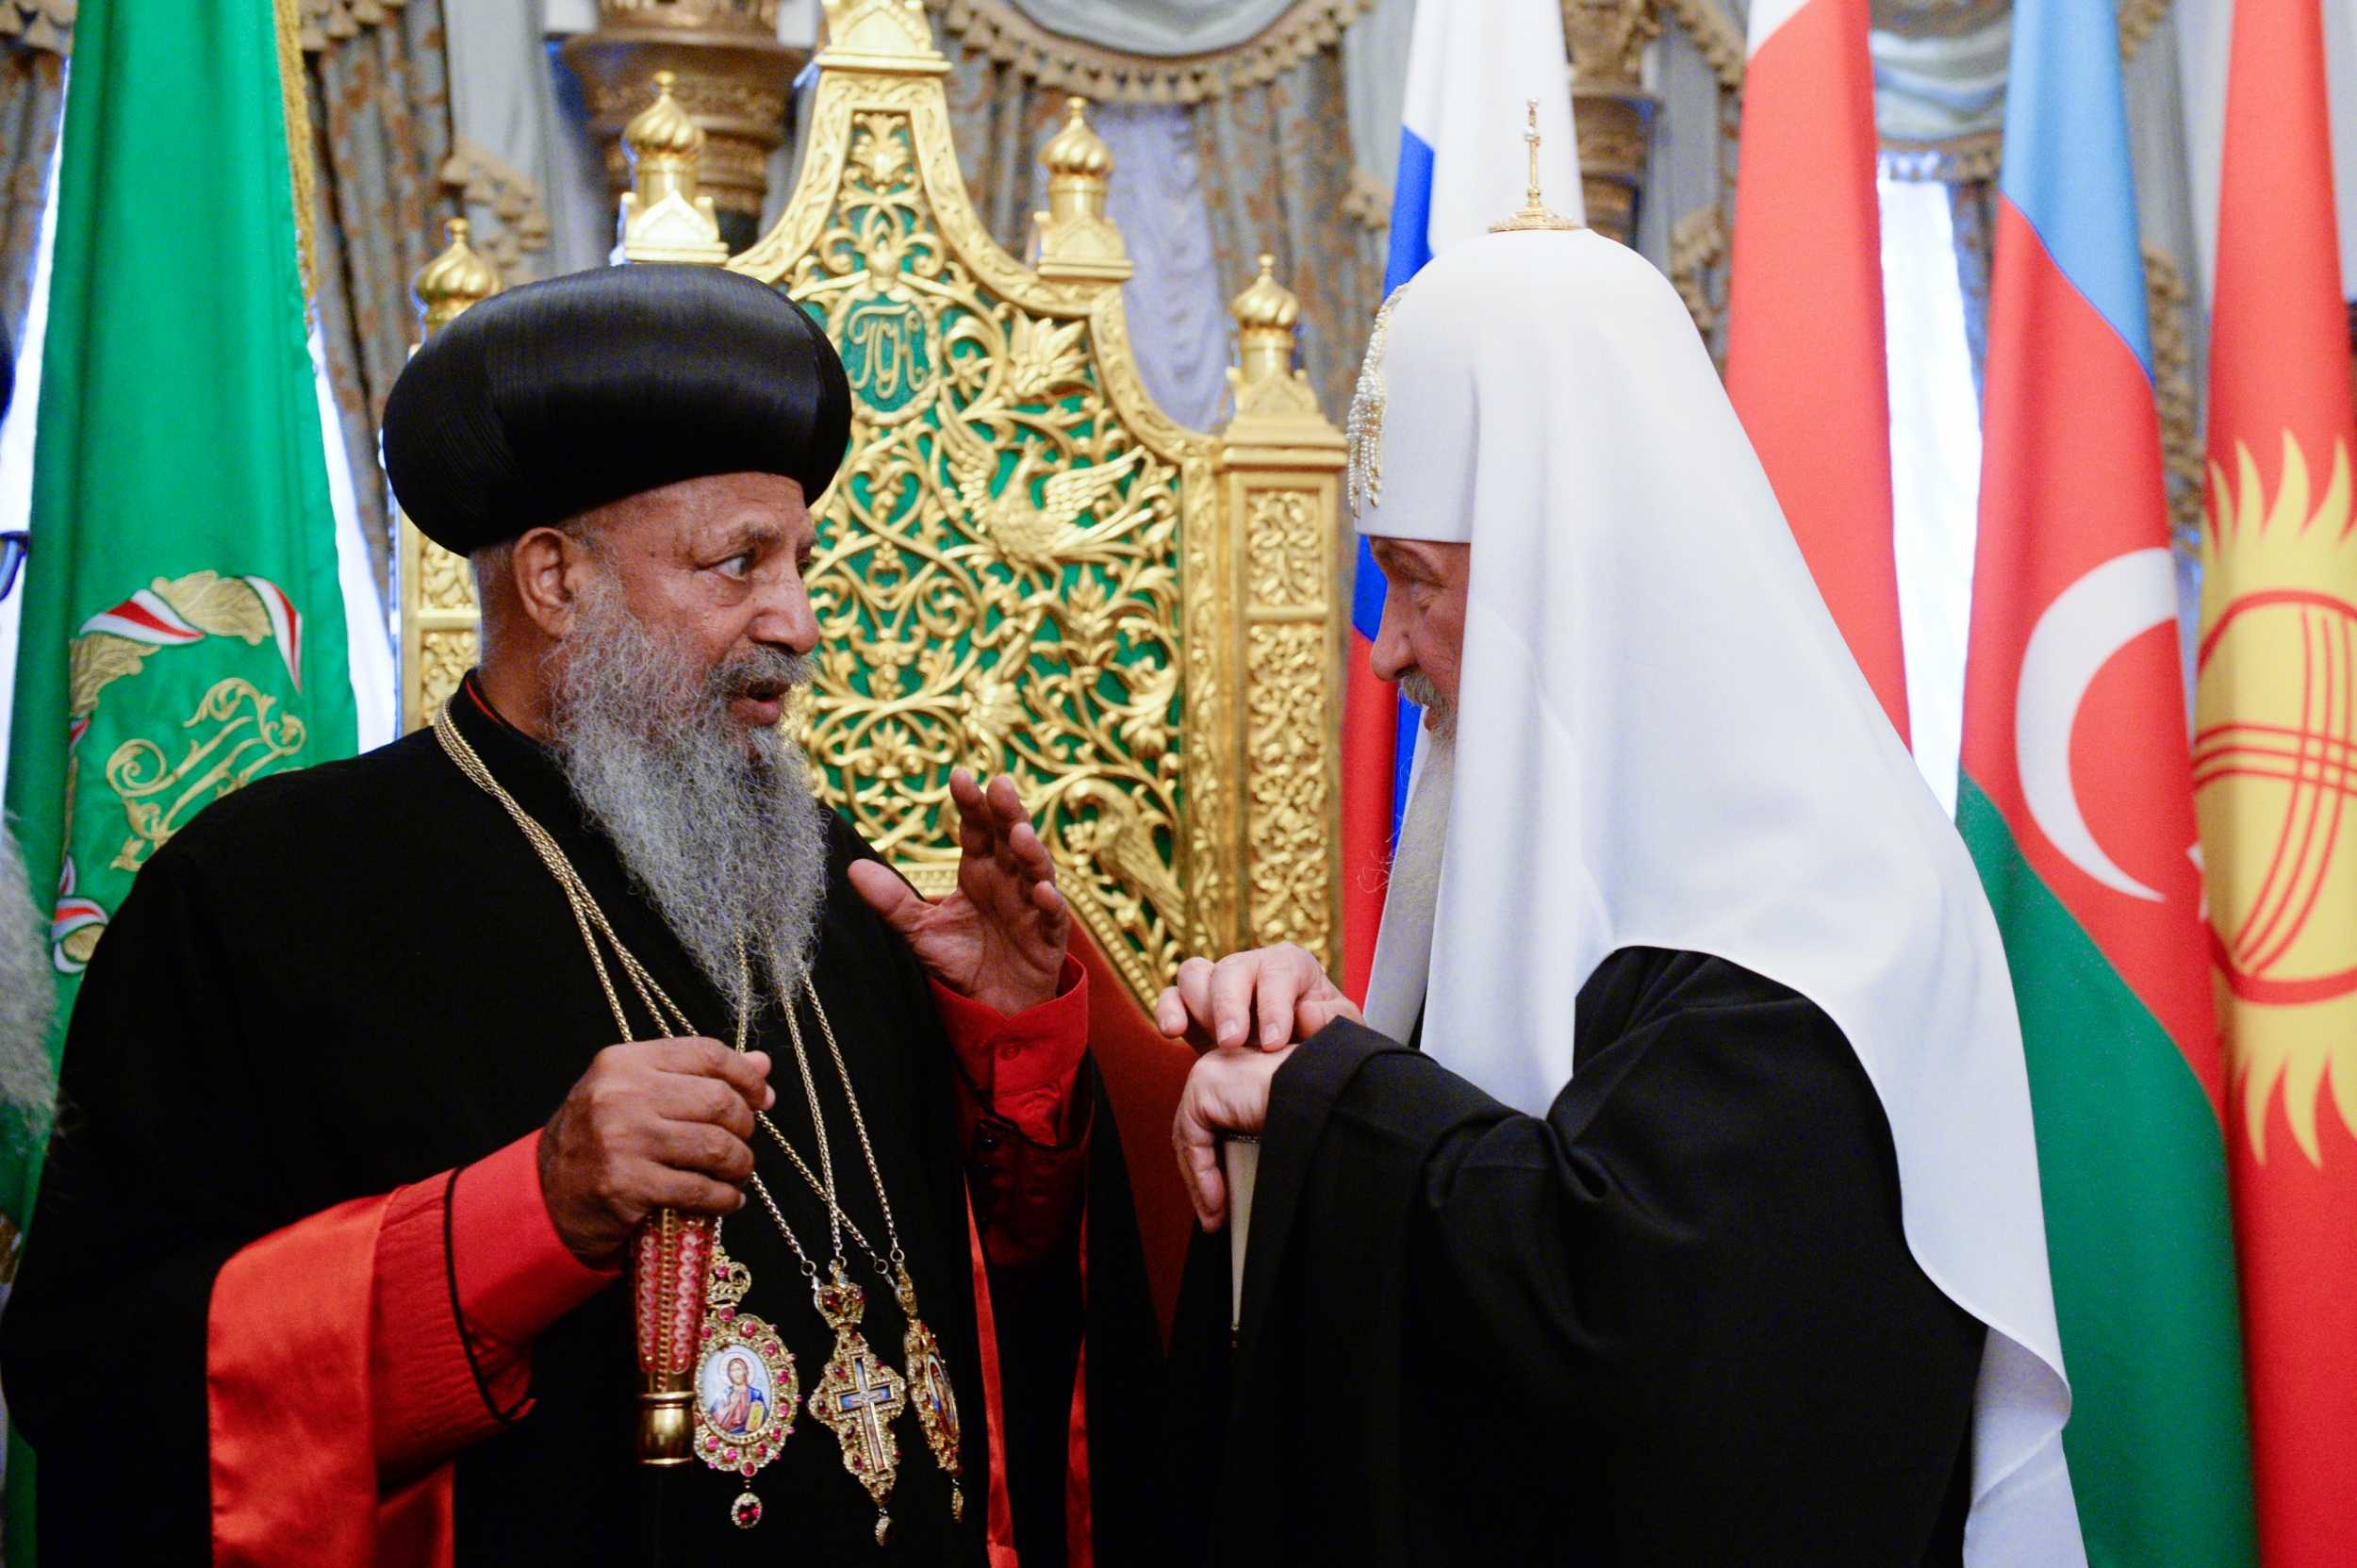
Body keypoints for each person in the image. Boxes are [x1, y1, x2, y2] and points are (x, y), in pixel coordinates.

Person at [0, 265, 1165, 1565]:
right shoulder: (265, 896)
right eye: (741, 565)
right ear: (554, 579)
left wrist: (1006, 1048)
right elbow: (104, 1372)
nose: (798, 622)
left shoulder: (829, 875)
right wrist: (525, 1212)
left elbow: (999, 1311)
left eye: (800, 563)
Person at [1160, 216, 2082, 1563]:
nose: (1389, 653)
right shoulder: (1554, 835)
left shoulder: (1832, 903)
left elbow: (1646, 1360)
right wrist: (1311, 1054)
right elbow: (1506, 1156)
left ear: (1562, 576)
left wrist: (1329, 1103)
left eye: (1415, 584)